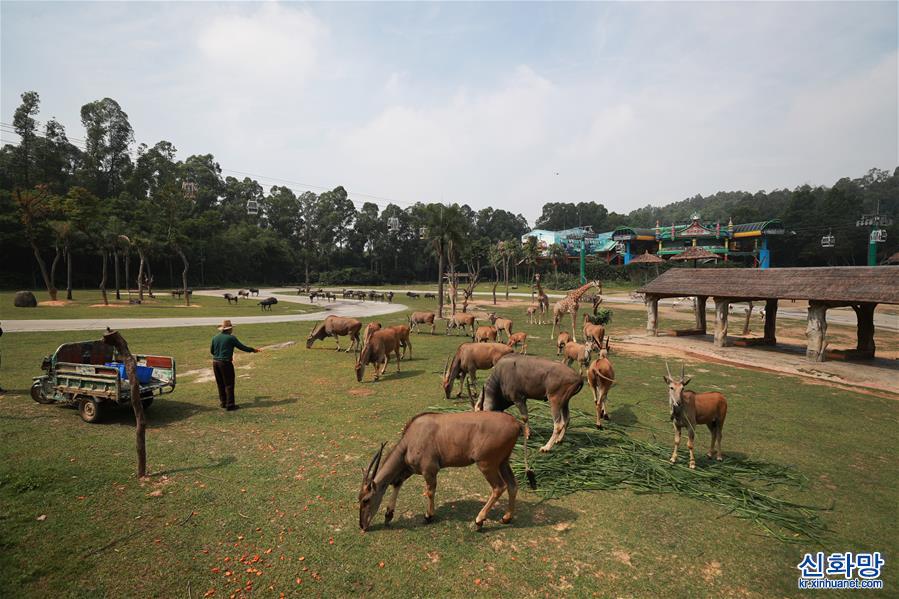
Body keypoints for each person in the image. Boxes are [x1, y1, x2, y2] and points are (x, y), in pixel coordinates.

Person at [210, 320, 259, 411]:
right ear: (229, 329)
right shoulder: (231, 338)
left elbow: (212, 351)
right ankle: (230, 405)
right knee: (229, 384)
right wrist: (253, 350)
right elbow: (242, 347)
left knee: (220, 383)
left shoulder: (215, 337)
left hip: (215, 363)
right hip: (225, 363)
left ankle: (223, 402)